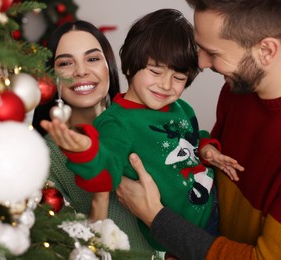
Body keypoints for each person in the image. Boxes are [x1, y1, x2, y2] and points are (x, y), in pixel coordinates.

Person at [40, 9, 243, 252]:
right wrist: (87, 151)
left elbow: (192, 137)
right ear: (129, 66)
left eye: (178, 77)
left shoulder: (178, 106)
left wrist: (207, 148)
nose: (166, 85)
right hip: (181, 235)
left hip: (216, 205)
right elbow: (105, 169)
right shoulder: (115, 124)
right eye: (156, 72)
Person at [116, 0, 281, 259]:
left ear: (267, 51)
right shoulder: (236, 91)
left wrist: (156, 218)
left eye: (212, 52)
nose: (201, 63)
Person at [31, 20, 157, 256]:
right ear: (52, 78)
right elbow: (68, 250)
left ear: (108, 65)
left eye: (92, 59)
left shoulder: (142, 119)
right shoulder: (43, 159)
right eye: (66, 63)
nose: (81, 71)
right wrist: (100, 195)